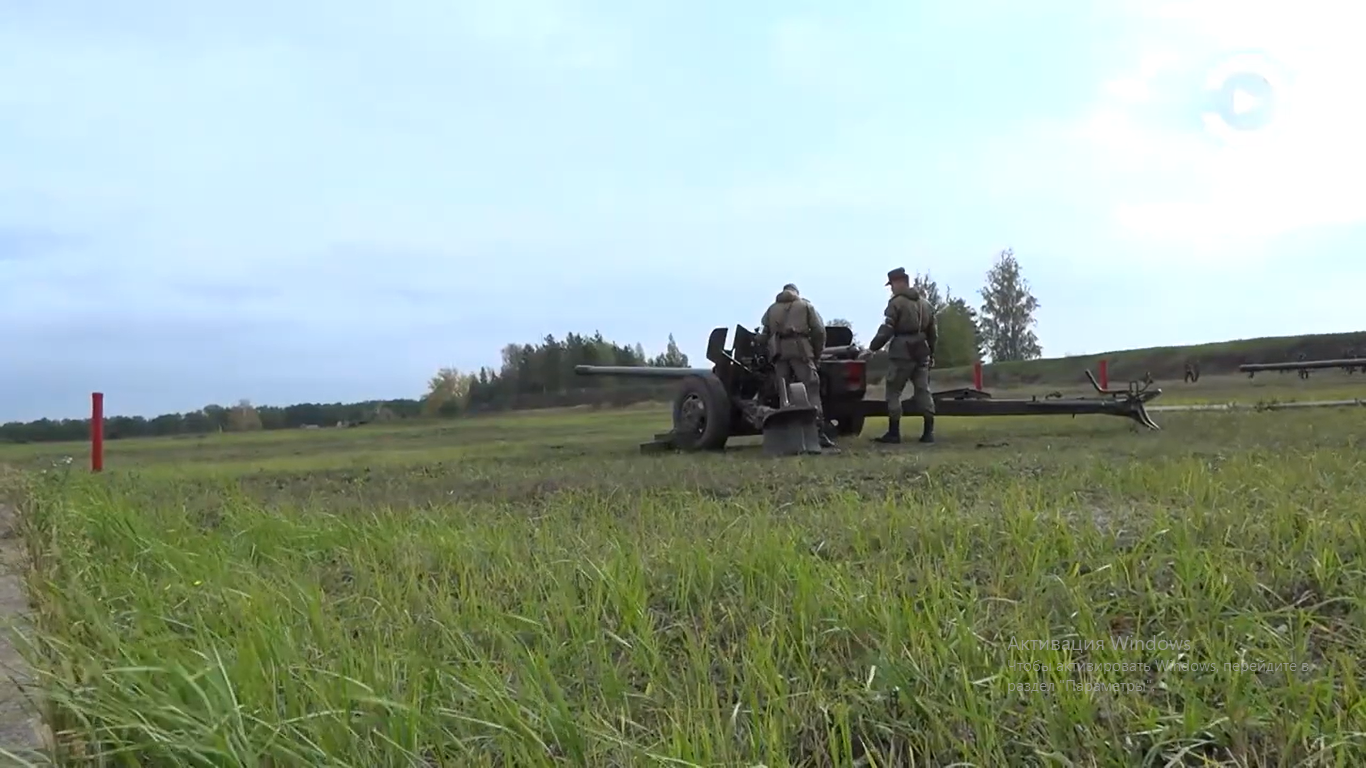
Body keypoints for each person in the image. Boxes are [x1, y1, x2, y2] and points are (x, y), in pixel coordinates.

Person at [755, 283, 834, 448]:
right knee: (811, 387)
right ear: (797, 292)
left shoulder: (771, 309)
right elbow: (819, 331)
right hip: (801, 350)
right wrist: (817, 354)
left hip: (778, 353)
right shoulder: (805, 306)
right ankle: (818, 431)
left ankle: (789, 434)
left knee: (784, 393)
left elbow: (764, 334)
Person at [866, 267, 937, 444]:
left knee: (893, 391)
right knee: (923, 391)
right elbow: (933, 333)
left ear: (899, 283)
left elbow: (887, 329)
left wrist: (873, 348)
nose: (891, 289)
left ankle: (894, 432)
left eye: (892, 285)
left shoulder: (896, 303)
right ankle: (928, 432)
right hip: (922, 352)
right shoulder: (925, 304)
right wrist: (932, 353)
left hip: (902, 353)